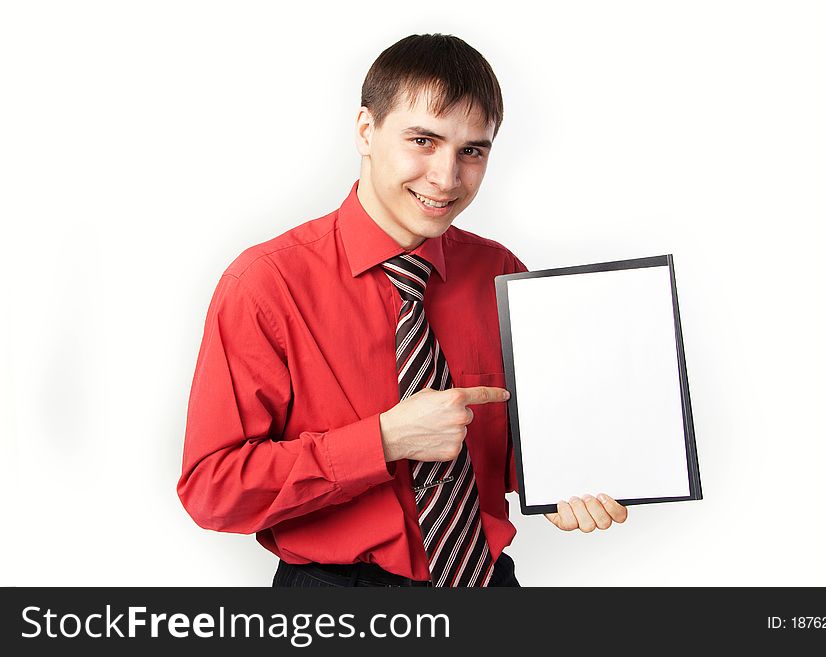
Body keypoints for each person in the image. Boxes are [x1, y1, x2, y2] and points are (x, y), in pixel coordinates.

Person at [177, 33, 627, 588]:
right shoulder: (266, 283)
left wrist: (562, 484)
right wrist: (383, 440)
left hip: (486, 582)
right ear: (367, 130)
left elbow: (518, 445)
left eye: (472, 151)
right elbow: (212, 489)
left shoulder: (501, 272)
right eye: (423, 140)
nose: (447, 178)